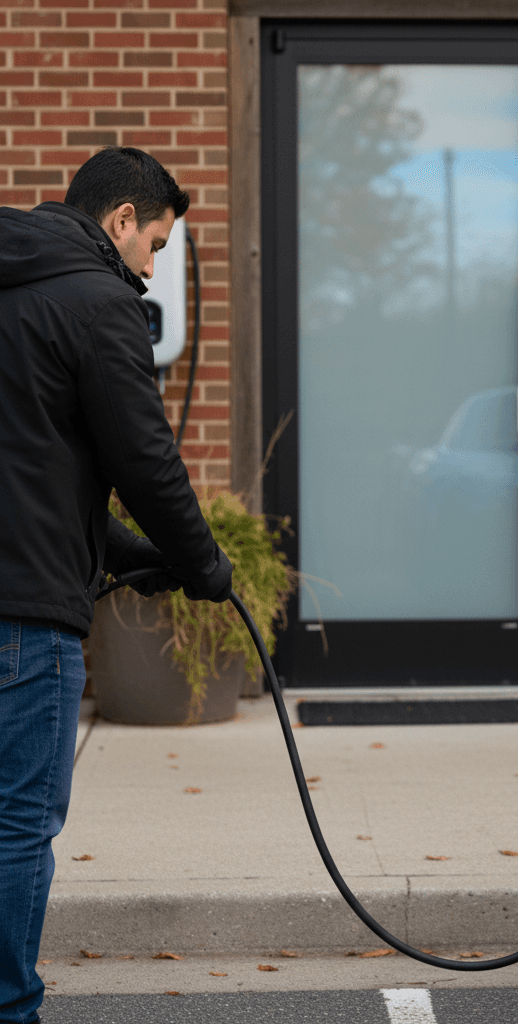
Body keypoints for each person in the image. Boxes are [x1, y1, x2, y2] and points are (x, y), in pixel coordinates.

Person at [0, 147, 232, 1024]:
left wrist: (135, 559)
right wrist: (206, 567)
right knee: (17, 827)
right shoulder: (98, 303)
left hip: (24, 578)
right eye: (156, 245)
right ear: (122, 220)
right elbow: (144, 459)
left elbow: (34, 469)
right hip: (21, 623)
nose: (153, 266)